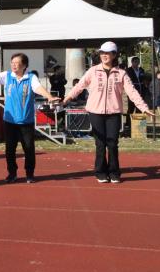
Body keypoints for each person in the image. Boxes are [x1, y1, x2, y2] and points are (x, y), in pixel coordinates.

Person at [62, 42, 154, 183]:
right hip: (95, 112)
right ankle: (100, 172)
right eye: (102, 52)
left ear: (114, 55)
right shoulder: (92, 71)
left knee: (112, 143)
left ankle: (114, 172)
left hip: (114, 113)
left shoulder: (121, 73)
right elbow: (79, 86)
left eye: (108, 52)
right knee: (100, 144)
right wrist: (66, 99)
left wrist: (144, 107)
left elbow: (132, 92)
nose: (104, 55)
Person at [0, 53, 58, 183]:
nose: (14, 65)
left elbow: (38, 88)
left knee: (29, 149)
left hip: (26, 121)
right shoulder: (7, 76)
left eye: (17, 63)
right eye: (12, 63)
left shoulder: (31, 78)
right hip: (10, 121)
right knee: (10, 149)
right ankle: (12, 173)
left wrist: (49, 96)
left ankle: (29, 174)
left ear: (24, 65)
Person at [125, 56, 146, 132]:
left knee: (139, 108)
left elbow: (144, 78)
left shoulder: (141, 70)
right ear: (132, 62)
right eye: (135, 62)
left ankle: (138, 125)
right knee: (131, 108)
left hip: (141, 90)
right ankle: (128, 123)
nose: (137, 63)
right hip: (132, 91)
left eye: (138, 62)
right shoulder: (128, 70)